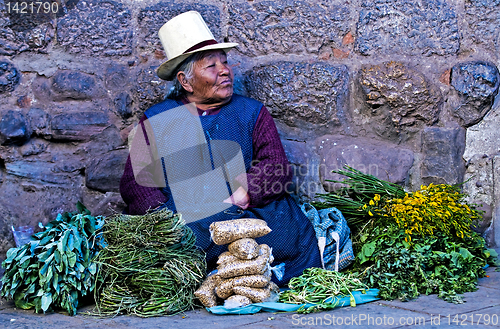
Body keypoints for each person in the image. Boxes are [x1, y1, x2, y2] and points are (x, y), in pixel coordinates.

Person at [120, 11, 321, 286]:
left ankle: (249, 276)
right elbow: (135, 182)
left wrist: (245, 192)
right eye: (211, 66)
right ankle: (221, 278)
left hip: (245, 211)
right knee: (185, 241)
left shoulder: (251, 112)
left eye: (224, 63)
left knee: (288, 232)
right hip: (188, 220)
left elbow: (276, 166)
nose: (225, 70)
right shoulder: (157, 119)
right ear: (185, 81)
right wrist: (164, 220)